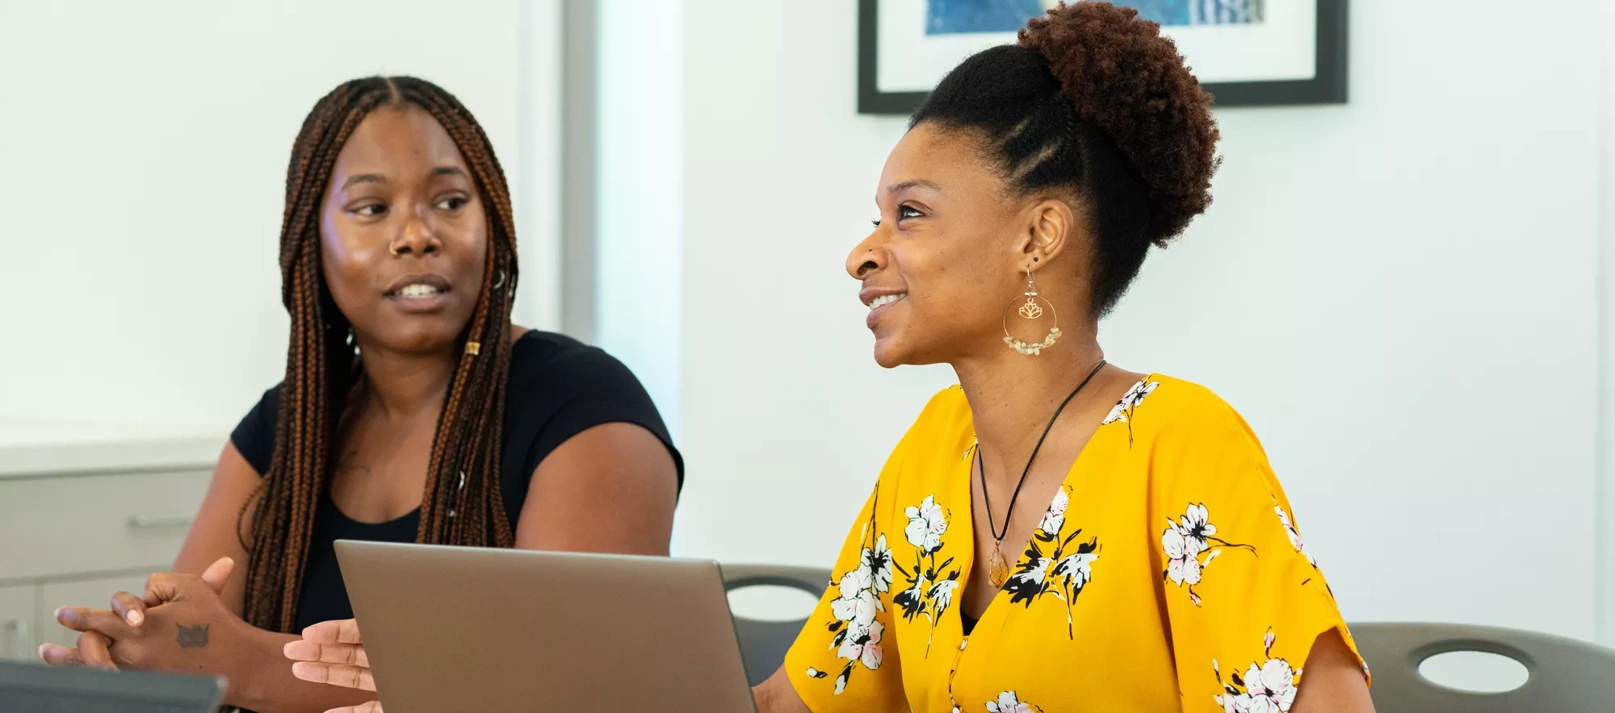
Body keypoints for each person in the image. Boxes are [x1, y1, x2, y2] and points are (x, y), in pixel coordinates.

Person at [746, 5, 1374, 712]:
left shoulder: (1180, 448)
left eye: (910, 214)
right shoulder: (932, 452)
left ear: (1038, 237)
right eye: (876, 218)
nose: (861, 254)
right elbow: (789, 704)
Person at [39, 76, 683, 713]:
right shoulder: (287, 424)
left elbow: (565, 682)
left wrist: (243, 665)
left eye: (452, 202)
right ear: (310, 244)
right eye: (372, 209)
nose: (417, 235)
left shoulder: (584, 407)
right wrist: (139, 649)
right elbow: (191, 640)